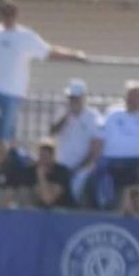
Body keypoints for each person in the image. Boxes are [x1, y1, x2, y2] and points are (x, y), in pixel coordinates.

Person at [0, 2, 84, 141]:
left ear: (16, 15)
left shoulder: (26, 36)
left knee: (5, 131)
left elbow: (48, 52)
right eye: (4, 13)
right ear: (0, 15)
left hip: (13, 93)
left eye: (11, 14)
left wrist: (74, 55)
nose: (7, 17)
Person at [99, 80, 139, 200]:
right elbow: (101, 139)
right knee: (94, 178)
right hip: (112, 161)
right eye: (130, 95)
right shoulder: (112, 113)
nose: (132, 99)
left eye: (137, 96)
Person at [51, 78, 102, 207]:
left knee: (76, 189)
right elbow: (53, 131)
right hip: (63, 165)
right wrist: (66, 116)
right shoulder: (62, 112)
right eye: (71, 98)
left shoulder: (92, 116)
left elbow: (95, 147)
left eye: (76, 98)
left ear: (83, 98)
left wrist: (79, 168)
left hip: (83, 167)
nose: (73, 101)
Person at [27, 139, 73, 209]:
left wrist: (41, 176)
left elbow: (48, 200)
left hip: (63, 212)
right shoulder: (31, 170)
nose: (42, 159)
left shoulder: (62, 172)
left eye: (46, 156)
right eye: (40, 155)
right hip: (38, 213)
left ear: (53, 156)